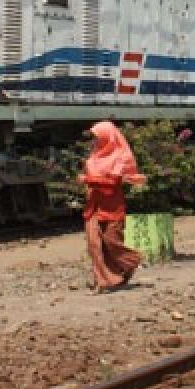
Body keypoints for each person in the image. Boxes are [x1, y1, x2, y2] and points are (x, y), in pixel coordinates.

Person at [79, 121, 144, 292]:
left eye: (97, 137)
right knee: (94, 244)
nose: (94, 141)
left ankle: (129, 262)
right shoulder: (94, 157)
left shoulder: (120, 157)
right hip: (93, 205)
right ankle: (103, 281)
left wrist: (88, 180)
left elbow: (112, 184)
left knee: (112, 242)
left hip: (112, 206)